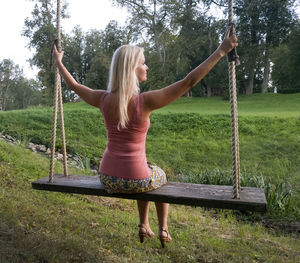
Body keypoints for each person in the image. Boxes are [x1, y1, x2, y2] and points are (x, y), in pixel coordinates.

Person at [52, 28, 238, 248]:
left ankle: (144, 224)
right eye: (143, 62)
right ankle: (163, 228)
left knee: (145, 172)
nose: (146, 66)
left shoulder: (102, 99)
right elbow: (188, 82)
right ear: (132, 68)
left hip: (107, 177)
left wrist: (59, 63)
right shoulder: (145, 101)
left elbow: (73, 85)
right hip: (136, 179)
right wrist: (220, 51)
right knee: (158, 176)